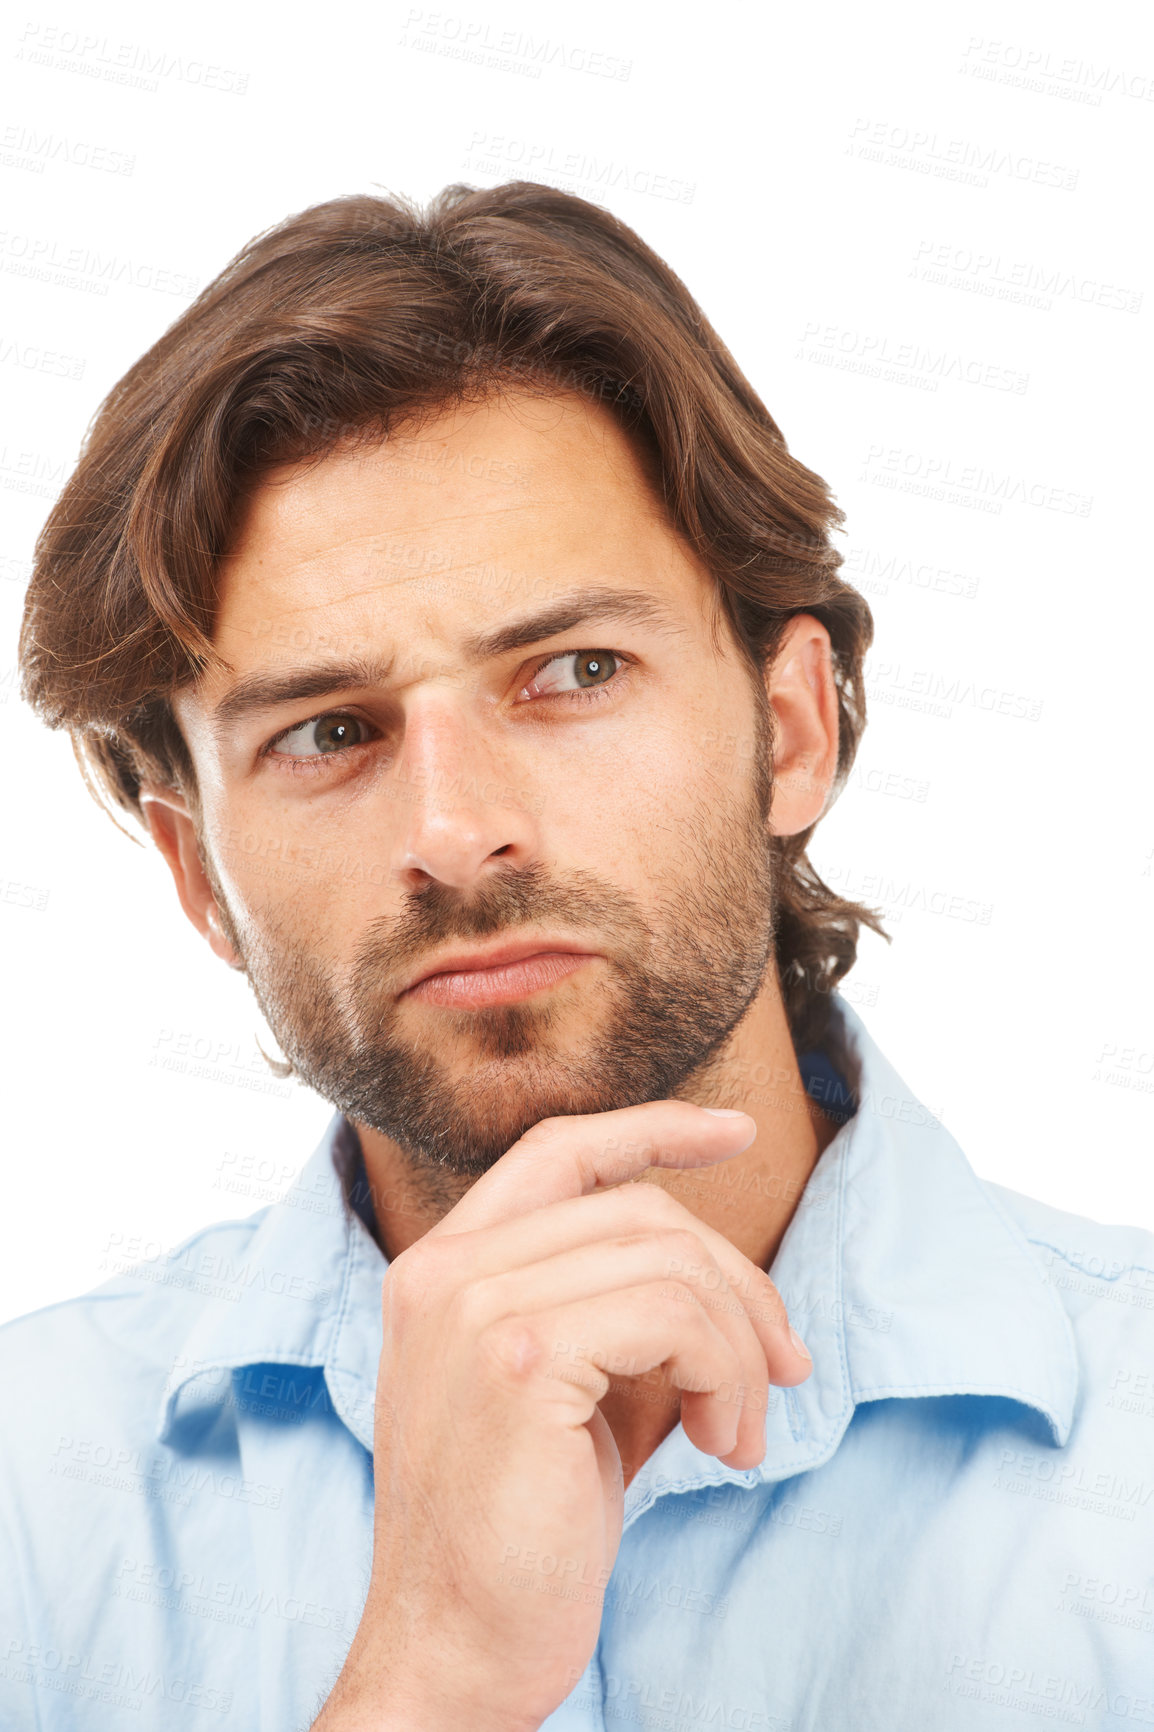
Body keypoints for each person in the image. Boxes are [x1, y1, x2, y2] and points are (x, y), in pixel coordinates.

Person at [4, 183, 1152, 1732]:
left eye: (571, 672)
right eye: (329, 731)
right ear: (197, 873)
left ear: (791, 730)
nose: (458, 829)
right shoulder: (33, 1500)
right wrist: (431, 1680)